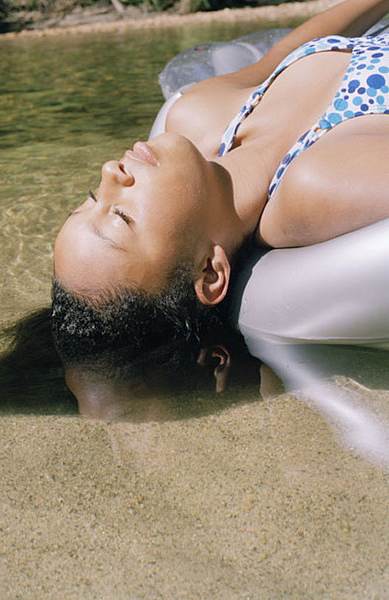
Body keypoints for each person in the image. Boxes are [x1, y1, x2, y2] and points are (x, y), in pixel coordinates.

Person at [52, 0, 389, 362]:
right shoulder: (313, 187)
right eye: (120, 216)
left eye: (91, 197)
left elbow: (281, 56)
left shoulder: (198, 115)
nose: (109, 172)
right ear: (210, 273)